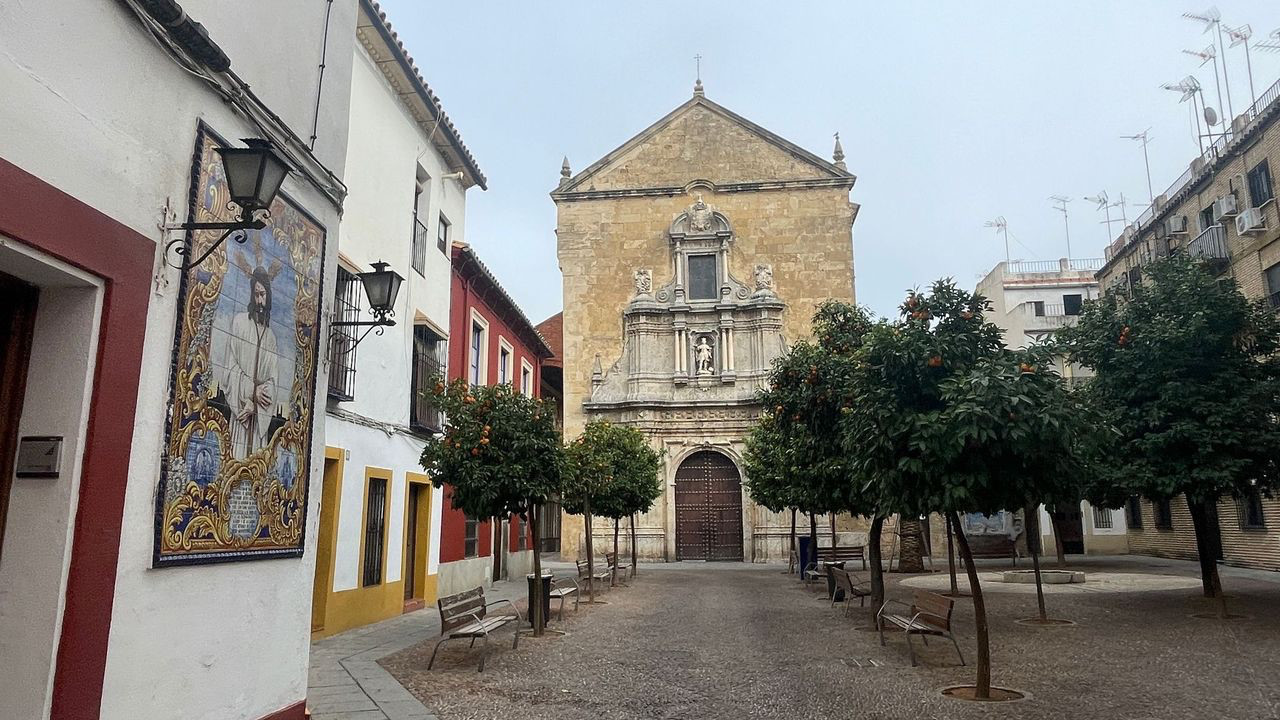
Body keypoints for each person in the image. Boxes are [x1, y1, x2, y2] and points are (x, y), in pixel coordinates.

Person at [220, 265, 280, 458]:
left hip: (257, 414)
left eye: (263, 295)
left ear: (269, 297)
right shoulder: (239, 323)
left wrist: (258, 403)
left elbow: (273, 379)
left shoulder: (271, 337)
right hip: (241, 412)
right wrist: (250, 391)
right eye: (256, 295)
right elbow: (230, 368)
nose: (260, 301)